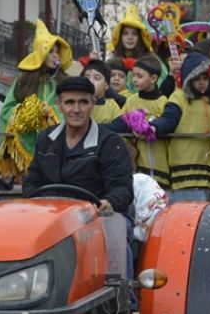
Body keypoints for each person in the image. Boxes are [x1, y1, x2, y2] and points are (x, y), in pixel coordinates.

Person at [23, 77, 133, 215]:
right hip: (49, 216)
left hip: (95, 219)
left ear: (93, 104)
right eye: (70, 102)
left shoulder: (110, 143)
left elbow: (122, 187)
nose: (76, 109)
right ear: (59, 105)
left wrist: (109, 201)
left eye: (83, 102)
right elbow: (31, 181)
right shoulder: (46, 138)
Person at [0, 19, 73, 181]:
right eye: (51, 51)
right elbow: (6, 110)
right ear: (41, 53)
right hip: (28, 152)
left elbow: (72, 107)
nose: (55, 56)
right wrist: (25, 112)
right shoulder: (23, 79)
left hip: (58, 150)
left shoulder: (64, 81)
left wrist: (51, 111)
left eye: (58, 52)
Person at [106, 55, 180, 189]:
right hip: (136, 164)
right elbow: (122, 122)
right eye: (133, 75)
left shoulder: (163, 102)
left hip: (159, 162)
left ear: (153, 79)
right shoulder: (131, 100)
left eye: (139, 76)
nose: (134, 79)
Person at [166, 52, 210, 190]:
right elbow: (168, 121)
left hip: (208, 168)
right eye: (197, 79)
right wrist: (152, 128)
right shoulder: (178, 97)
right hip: (184, 165)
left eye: (205, 78)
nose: (201, 83)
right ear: (188, 79)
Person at [107, 5, 169, 94]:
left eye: (134, 34)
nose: (130, 37)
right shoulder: (113, 62)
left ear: (140, 37)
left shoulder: (152, 60)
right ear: (120, 37)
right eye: (125, 33)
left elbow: (162, 85)